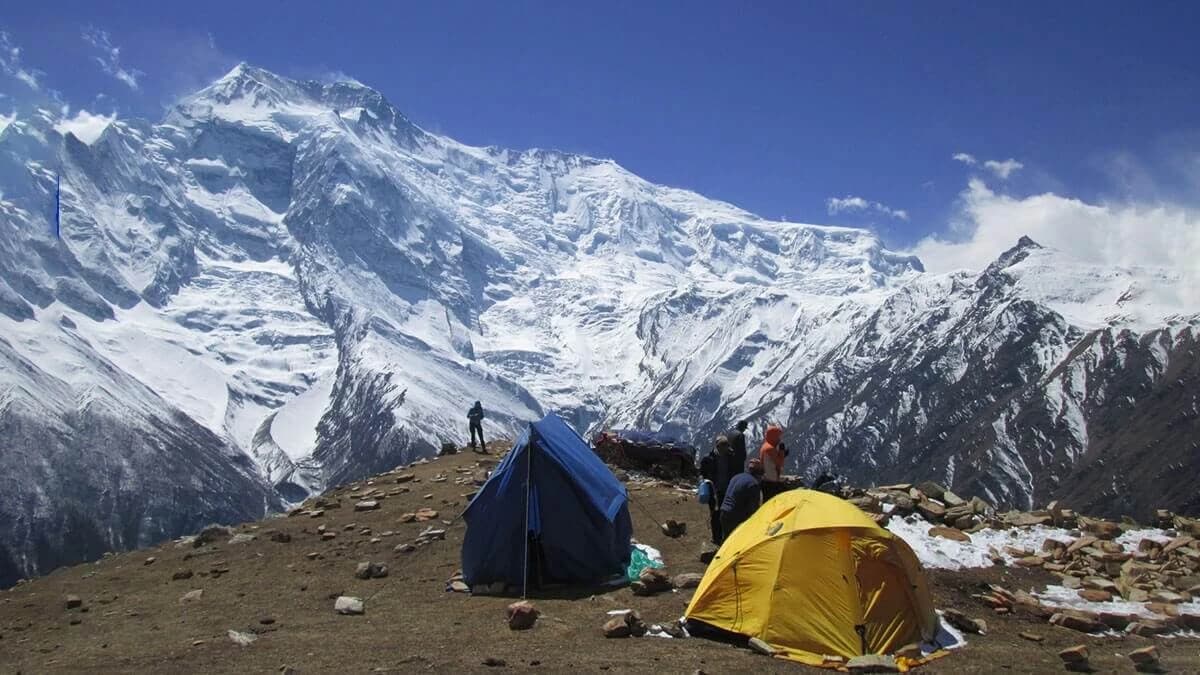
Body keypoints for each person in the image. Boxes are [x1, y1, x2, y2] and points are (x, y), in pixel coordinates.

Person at [699, 435, 738, 544]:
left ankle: (725, 536)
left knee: (726, 514)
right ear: (718, 446)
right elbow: (702, 473)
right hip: (714, 490)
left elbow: (734, 471)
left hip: (727, 490)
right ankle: (716, 537)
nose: (725, 448)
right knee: (715, 515)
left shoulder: (730, 457)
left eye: (726, 445)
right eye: (723, 446)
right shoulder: (709, 459)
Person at [719, 458, 764, 540]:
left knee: (726, 542)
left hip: (724, 512)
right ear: (759, 474)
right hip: (736, 517)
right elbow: (753, 508)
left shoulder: (736, 477)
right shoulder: (753, 484)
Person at [759, 424, 786, 502]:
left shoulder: (765, 446)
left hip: (766, 479)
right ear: (773, 436)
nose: (779, 439)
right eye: (778, 436)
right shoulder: (770, 448)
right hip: (771, 481)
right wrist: (782, 452)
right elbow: (780, 463)